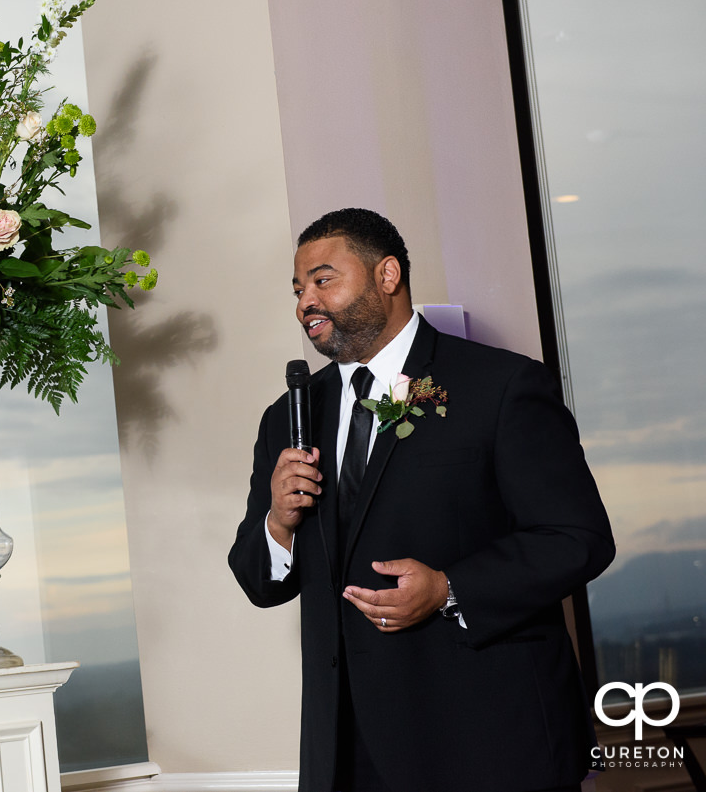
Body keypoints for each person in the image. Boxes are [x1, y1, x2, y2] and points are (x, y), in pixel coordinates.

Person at [228, 208, 615, 792]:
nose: (305, 300)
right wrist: (279, 523)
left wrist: (450, 588)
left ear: (387, 276)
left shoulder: (501, 387)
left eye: (322, 279)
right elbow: (260, 582)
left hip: (487, 742)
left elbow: (578, 539)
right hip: (347, 756)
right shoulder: (287, 417)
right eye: (298, 288)